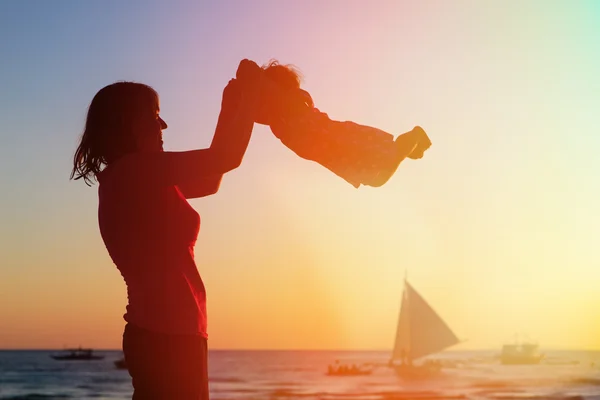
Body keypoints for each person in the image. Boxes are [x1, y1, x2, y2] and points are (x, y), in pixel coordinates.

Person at [70, 59, 264, 399]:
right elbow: (227, 156)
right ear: (127, 124)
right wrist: (250, 100)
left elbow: (211, 179)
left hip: (175, 333)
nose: (163, 124)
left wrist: (231, 108)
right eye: (153, 115)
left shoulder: (142, 177)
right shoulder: (133, 172)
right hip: (163, 335)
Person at [254, 60, 432, 188]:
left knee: (385, 164)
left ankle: (414, 137)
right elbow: (256, 113)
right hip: (334, 153)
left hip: (341, 140)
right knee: (376, 178)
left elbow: (267, 90)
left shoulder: (292, 101)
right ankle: (411, 145)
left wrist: (252, 79)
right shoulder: (276, 118)